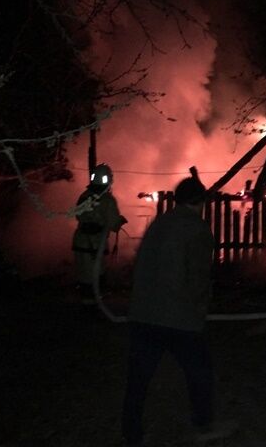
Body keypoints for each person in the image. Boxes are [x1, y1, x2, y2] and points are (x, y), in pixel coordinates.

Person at [122, 171, 235, 446]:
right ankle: (203, 425)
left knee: (139, 377)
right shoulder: (197, 229)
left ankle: (131, 433)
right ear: (201, 201)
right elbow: (197, 277)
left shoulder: (159, 224)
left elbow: (141, 266)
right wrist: (199, 308)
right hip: (178, 317)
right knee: (200, 370)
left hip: (143, 314)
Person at [72, 163, 126, 304]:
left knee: (84, 275)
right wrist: (120, 221)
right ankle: (93, 307)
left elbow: (78, 215)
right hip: (95, 245)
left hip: (80, 242)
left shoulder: (84, 195)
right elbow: (113, 223)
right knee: (95, 276)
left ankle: (86, 304)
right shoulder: (107, 199)